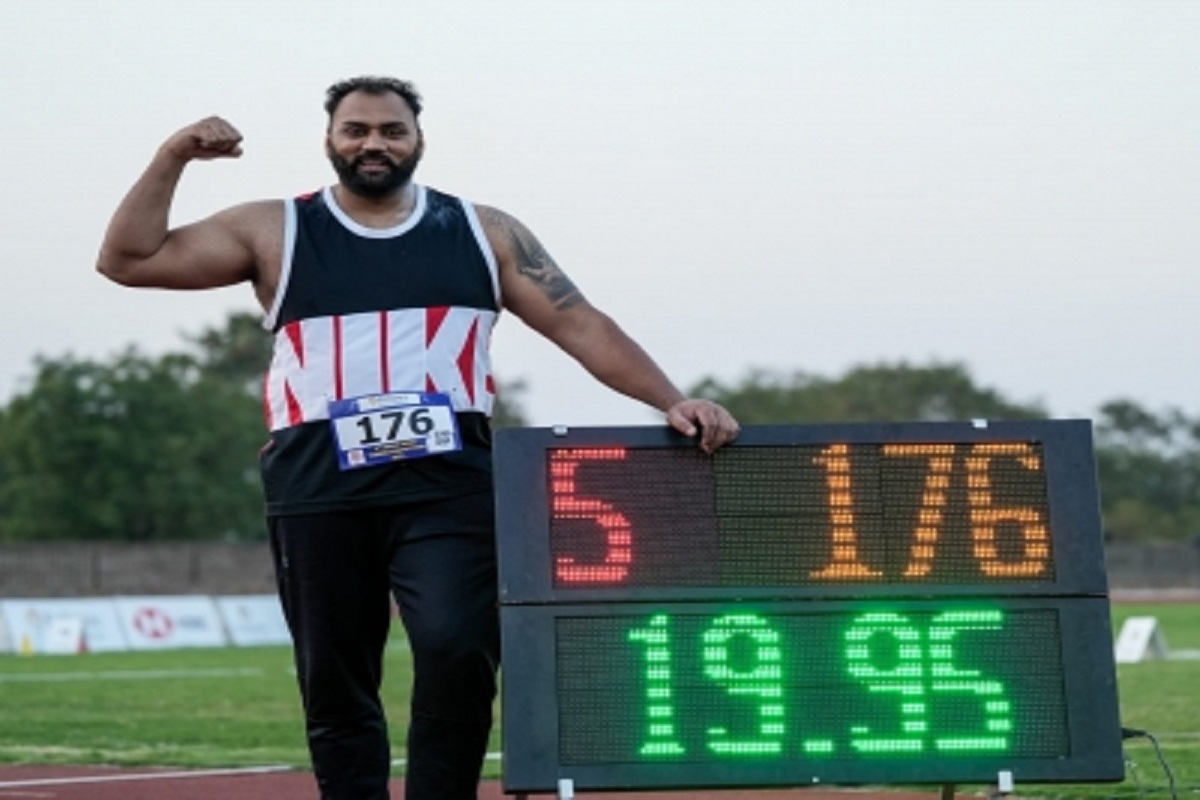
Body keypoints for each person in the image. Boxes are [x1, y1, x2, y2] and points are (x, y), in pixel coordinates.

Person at [96, 75, 740, 800]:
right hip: (318, 481)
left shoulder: (483, 231)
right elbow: (128, 258)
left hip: (447, 482)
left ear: (418, 140)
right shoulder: (274, 229)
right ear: (330, 140)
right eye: (357, 130)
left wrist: (671, 398)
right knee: (335, 676)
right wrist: (172, 155)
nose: (374, 143)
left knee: (457, 647)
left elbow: (578, 321)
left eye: (391, 130)